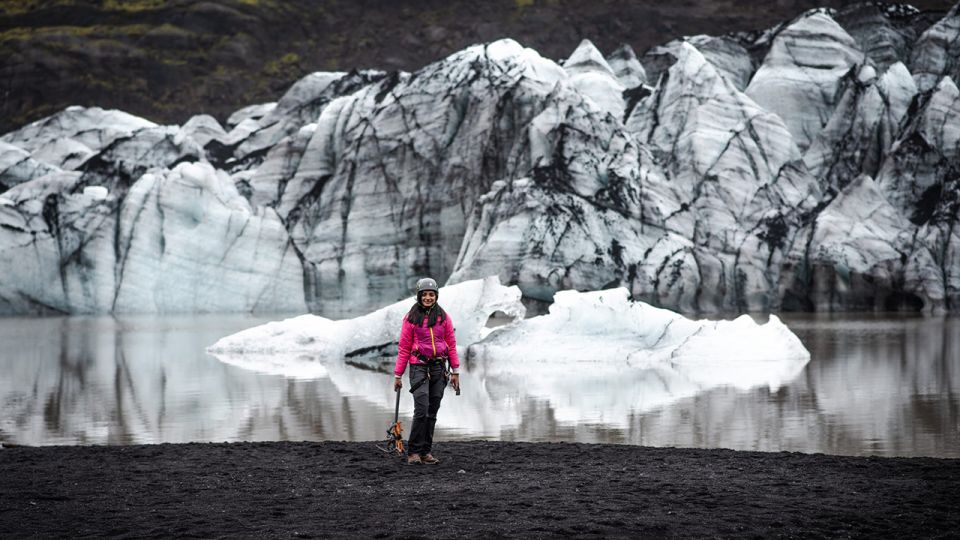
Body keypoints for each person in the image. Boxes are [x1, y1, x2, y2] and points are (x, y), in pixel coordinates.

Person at [393, 277, 461, 465]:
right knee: (421, 410)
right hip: (419, 368)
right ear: (419, 296)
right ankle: (413, 452)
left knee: (432, 410)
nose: (428, 298)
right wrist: (398, 375)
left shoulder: (443, 317)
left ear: (436, 296)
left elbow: (451, 345)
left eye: (432, 294)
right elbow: (404, 348)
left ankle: (426, 452)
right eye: (425, 294)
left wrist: (455, 371)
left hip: (439, 368)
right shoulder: (411, 318)